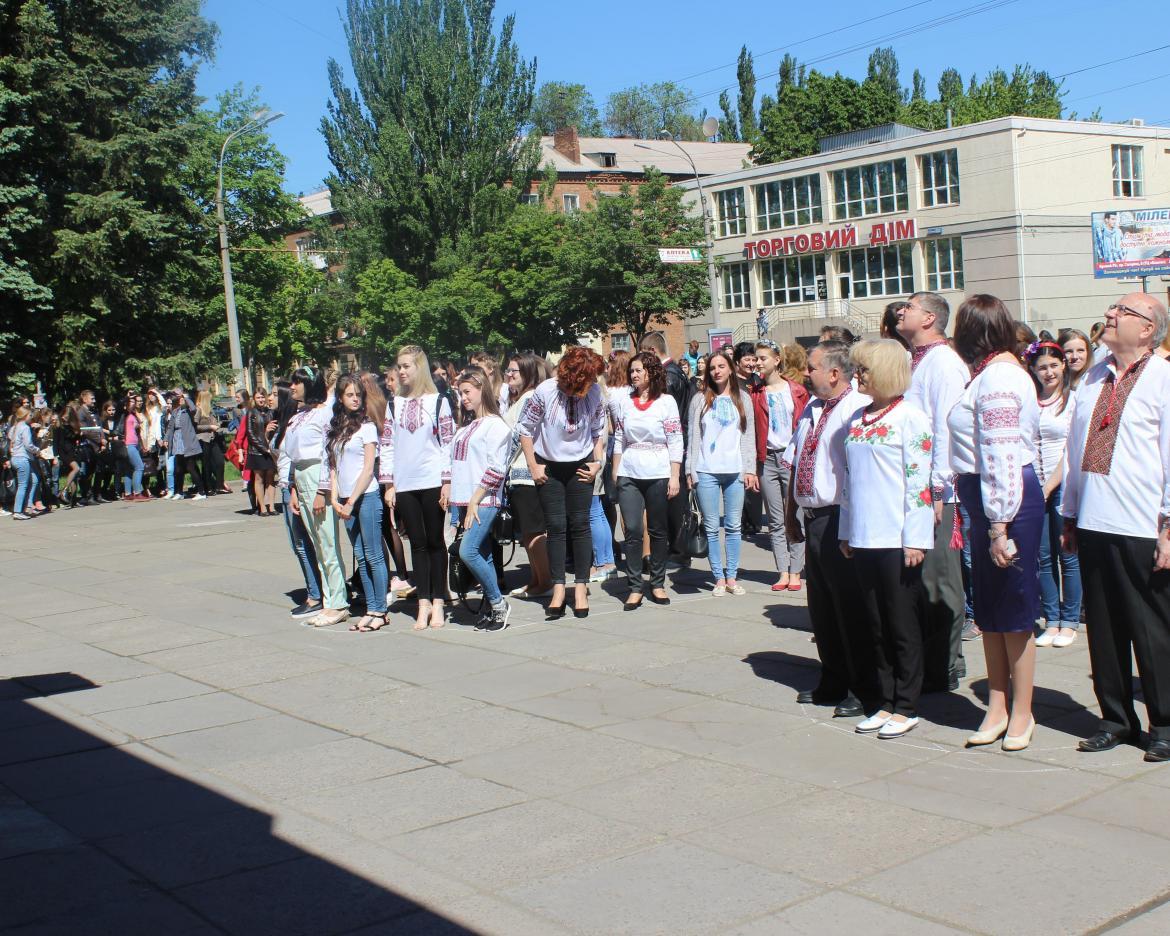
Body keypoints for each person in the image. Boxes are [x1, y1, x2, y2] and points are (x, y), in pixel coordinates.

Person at [1062, 293, 1170, 763]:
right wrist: (1070, 513)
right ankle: (1116, 719)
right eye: (1113, 308)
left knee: (1152, 630)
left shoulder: (1163, 378)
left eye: (1123, 311)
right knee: (1104, 630)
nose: (1110, 314)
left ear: (1147, 328)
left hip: (1142, 524)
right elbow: (1074, 450)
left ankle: (1165, 724)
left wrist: (1169, 528)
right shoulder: (1092, 378)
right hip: (1094, 520)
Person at [949, 295, 1044, 752]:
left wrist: (999, 526)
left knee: (1014, 611)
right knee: (990, 612)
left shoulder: (1000, 377)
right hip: (989, 499)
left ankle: (1022, 711)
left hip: (1005, 501)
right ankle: (998, 706)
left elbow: (1003, 453)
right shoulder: (990, 373)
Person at [839, 339, 934, 739]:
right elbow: (849, 482)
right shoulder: (856, 419)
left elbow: (919, 482)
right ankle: (884, 700)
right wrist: (846, 530)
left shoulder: (911, 418)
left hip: (897, 538)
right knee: (875, 624)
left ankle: (907, 704)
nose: (857, 376)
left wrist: (916, 538)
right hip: (864, 536)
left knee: (901, 624)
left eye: (863, 369)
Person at [785, 340, 871, 717]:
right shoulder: (812, 407)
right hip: (813, 516)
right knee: (821, 606)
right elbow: (795, 460)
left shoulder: (856, 408)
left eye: (813, 367)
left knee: (848, 605)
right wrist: (790, 513)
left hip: (840, 516)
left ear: (835, 373)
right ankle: (833, 678)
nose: (807, 373)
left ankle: (860, 685)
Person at [898, 291, 970, 693]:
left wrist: (940, 489)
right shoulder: (915, 359)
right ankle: (932, 659)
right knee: (923, 581)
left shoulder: (943, 362)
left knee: (941, 581)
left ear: (929, 318)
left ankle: (946, 664)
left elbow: (947, 428)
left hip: (937, 490)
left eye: (909, 307)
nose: (901, 311)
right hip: (917, 487)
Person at [517, 345, 607, 620]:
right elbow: (525, 428)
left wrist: (597, 462)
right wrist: (533, 466)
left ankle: (580, 588)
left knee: (580, 524)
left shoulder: (594, 393)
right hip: (550, 466)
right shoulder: (545, 391)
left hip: (581, 464)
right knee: (555, 527)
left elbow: (598, 431)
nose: (581, 389)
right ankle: (558, 588)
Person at [382, 344, 457, 631]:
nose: (401, 371)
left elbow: (447, 443)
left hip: (432, 480)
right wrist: (389, 484)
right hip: (405, 483)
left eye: (406, 366)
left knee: (436, 542)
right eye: (399, 366)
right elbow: (387, 445)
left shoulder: (438, 401)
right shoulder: (394, 404)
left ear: (419, 368)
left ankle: (438, 600)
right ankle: (422, 601)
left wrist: (447, 481)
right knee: (417, 543)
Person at [613, 351, 683, 609]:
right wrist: (616, 470)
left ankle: (657, 582)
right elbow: (619, 437)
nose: (633, 375)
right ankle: (634, 586)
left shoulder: (666, 402)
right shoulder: (625, 401)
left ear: (651, 372)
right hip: (630, 471)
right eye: (631, 371)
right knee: (632, 529)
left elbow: (675, 439)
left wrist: (674, 475)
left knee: (657, 530)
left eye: (638, 370)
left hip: (658, 471)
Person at [281, 367, 348, 626]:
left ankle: (337, 602)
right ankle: (328, 599)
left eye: (297, 382)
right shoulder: (300, 415)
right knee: (317, 544)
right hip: (301, 476)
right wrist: (294, 488)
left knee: (327, 542)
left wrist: (322, 490)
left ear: (310, 385)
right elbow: (291, 453)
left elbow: (327, 453)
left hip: (317, 476)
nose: (293, 387)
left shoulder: (324, 413)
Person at [687, 348, 757, 597]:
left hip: (735, 470)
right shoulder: (699, 399)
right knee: (711, 526)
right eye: (713, 367)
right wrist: (690, 469)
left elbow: (748, 436)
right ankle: (718, 577)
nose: (717, 371)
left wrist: (750, 468)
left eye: (721, 366)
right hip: (706, 469)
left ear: (730, 369)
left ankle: (732, 577)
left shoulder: (743, 398)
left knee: (734, 526)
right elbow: (693, 436)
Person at [322, 374, 388, 632]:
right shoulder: (336, 428)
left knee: (373, 554)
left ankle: (380, 610)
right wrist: (334, 497)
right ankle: (371, 607)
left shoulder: (367, 426)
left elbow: (369, 469)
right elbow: (334, 466)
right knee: (360, 555)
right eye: (350, 395)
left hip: (366, 497)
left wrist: (351, 501)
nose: (355, 399)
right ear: (340, 398)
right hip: (345, 499)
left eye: (358, 395)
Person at [1026, 340, 1082, 648]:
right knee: (1042, 556)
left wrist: (1049, 486)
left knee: (1067, 554)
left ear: (1063, 366)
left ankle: (1070, 620)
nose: (1048, 372)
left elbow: (1071, 449)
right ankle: (1052, 618)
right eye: (1042, 367)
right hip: (1034, 485)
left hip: (1062, 485)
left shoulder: (1073, 400)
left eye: (1053, 366)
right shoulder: (1030, 402)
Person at [450, 367, 513, 631]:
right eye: (461, 393)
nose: (463, 397)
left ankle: (498, 603)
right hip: (467, 500)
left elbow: (497, 468)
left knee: (469, 551)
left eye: (467, 392)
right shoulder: (469, 425)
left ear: (481, 389)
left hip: (484, 499)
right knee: (482, 554)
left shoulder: (496, 425)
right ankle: (491, 606)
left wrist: (474, 500)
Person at [756, 341, 809, 591]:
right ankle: (783, 571)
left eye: (763, 358)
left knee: (795, 516)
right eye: (756, 358)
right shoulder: (756, 393)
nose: (758, 363)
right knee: (775, 520)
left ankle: (796, 570)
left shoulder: (796, 390)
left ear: (777, 360)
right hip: (767, 459)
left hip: (791, 458)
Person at [502, 353, 552, 599]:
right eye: (508, 370)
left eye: (515, 371)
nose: (509, 375)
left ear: (528, 374)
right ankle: (535, 580)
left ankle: (545, 581)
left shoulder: (530, 398)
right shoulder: (521, 398)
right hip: (518, 475)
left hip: (526, 474)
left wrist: (499, 466)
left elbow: (518, 436)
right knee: (527, 534)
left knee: (534, 533)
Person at [164, 388, 206, 501]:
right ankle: (179, 492)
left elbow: (193, 408)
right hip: (177, 441)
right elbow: (170, 427)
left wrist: (185, 397)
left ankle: (201, 492)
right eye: (180, 399)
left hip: (187, 442)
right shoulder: (175, 411)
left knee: (191, 467)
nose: (181, 400)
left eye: (182, 399)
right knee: (178, 469)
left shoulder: (188, 410)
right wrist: (166, 439)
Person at [6, 406, 40, 519]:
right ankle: (18, 511)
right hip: (22, 458)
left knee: (34, 480)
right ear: (25, 416)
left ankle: (27, 506)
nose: (31, 417)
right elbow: (28, 445)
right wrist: (37, 450)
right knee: (23, 485)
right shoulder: (25, 427)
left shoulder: (14, 427)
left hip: (15, 458)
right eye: (30, 415)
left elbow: (10, 439)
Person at [247, 387, 277, 516]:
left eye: (262, 397)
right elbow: (250, 434)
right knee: (259, 478)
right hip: (256, 451)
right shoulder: (251, 413)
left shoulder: (271, 412)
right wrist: (263, 448)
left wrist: (271, 447)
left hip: (270, 449)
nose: (261, 399)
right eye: (258, 397)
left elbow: (275, 429)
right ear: (254, 399)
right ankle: (262, 507)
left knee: (270, 478)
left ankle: (272, 506)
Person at [195, 389, 227, 496]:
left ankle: (219, 486)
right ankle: (208, 488)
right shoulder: (198, 410)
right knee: (206, 464)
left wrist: (217, 425)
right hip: (203, 439)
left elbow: (213, 422)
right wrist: (210, 427)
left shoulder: (209, 410)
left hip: (213, 439)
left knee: (220, 461)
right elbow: (196, 426)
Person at [120, 392, 148, 501]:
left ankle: (127, 494)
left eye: (134, 401)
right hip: (129, 444)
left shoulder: (133, 415)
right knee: (139, 467)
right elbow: (121, 404)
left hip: (134, 444)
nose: (133, 403)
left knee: (129, 469)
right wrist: (128, 397)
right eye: (131, 402)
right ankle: (137, 492)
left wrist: (142, 445)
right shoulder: (124, 414)